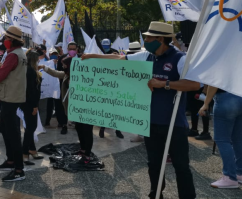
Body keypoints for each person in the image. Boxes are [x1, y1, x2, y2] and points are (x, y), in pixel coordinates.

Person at [82, 22, 199, 199]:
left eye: (149, 37)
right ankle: (156, 194)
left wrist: (164, 84)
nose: (146, 40)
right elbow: (120, 59)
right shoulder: (147, 56)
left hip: (174, 124)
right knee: (154, 164)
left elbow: (194, 84)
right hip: (150, 122)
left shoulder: (180, 58)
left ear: (160, 39)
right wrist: (92, 56)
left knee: (181, 165)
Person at [40, 56, 104, 170]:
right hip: (77, 109)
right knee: (79, 128)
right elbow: (55, 73)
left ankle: (87, 154)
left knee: (87, 130)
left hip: (88, 108)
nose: (63, 66)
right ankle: (83, 149)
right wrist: (44, 67)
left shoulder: (84, 75)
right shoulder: (67, 74)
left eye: (64, 64)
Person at [0, 26, 27, 182]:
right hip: (11, 96)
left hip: (10, 98)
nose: (4, 41)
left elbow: (0, 75)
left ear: (12, 40)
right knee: (4, 128)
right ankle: (11, 160)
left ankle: (19, 169)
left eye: (6, 39)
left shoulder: (13, 55)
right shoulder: (16, 53)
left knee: (12, 132)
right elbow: (6, 70)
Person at [199, 87, 242, 188]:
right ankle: (241, 173)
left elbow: (214, 83)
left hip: (225, 98)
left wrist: (206, 103)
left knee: (222, 139)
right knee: (238, 138)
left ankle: (229, 177)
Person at [22, 50, 44, 165]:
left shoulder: (29, 70)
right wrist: (34, 106)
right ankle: (25, 152)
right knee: (31, 128)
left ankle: (32, 149)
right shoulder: (30, 71)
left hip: (28, 102)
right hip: (30, 103)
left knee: (30, 127)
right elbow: (32, 90)